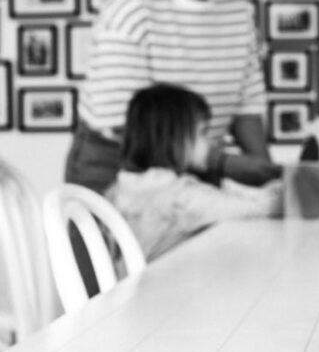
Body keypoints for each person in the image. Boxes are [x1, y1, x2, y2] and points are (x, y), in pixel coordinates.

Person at [65, 0, 279, 193]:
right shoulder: (134, 4)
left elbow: (247, 96)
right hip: (118, 167)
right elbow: (124, 120)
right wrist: (222, 163)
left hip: (197, 166)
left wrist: (263, 166)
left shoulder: (237, 6)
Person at [106, 84, 282, 260]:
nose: (210, 143)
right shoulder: (182, 198)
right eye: (203, 133)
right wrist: (285, 191)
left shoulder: (119, 188)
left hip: (126, 284)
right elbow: (257, 209)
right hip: (160, 284)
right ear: (174, 139)